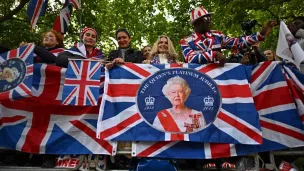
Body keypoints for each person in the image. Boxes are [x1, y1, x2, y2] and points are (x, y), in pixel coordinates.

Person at [180, 6, 276, 67]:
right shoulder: (186, 41)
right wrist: (214, 54)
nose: (210, 21)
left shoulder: (217, 35)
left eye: (210, 18)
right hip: (199, 81)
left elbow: (238, 42)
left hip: (220, 81)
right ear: (196, 22)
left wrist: (260, 34)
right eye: (206, 18)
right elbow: (190, 59)